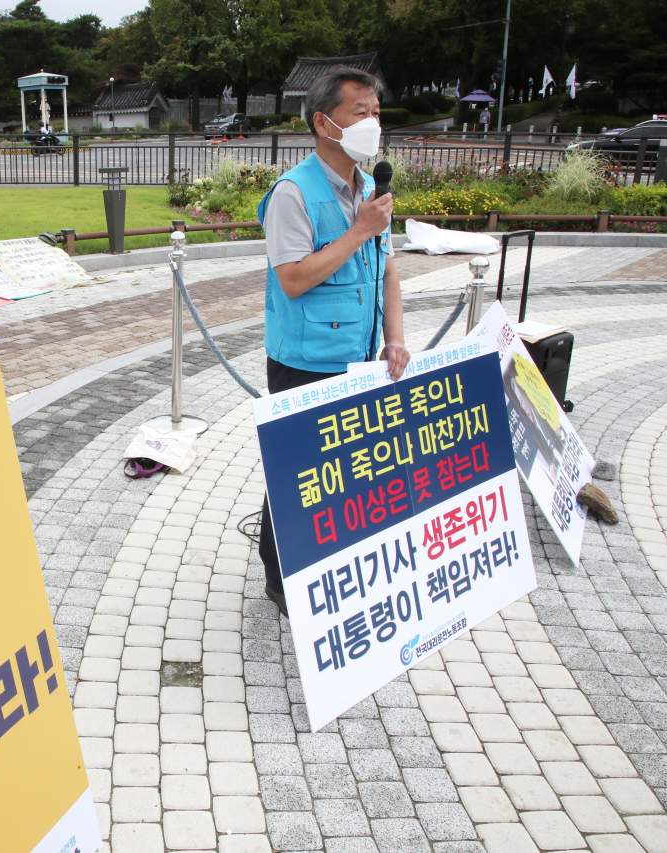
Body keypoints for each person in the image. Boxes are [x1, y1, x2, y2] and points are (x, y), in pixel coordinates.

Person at [255, 65, 410, 617]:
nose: (373, 123)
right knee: (296, 472)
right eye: (360, 112)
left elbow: (387, 269)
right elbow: (293, 278)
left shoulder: (369, 188)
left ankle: (325, 559)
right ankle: (279, 576)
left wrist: (394, 338)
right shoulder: (292, 193)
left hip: (361, 356)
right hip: (304, 360)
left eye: (376, 112)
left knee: (345, 468)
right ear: (324, 122)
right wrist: (359, 230)